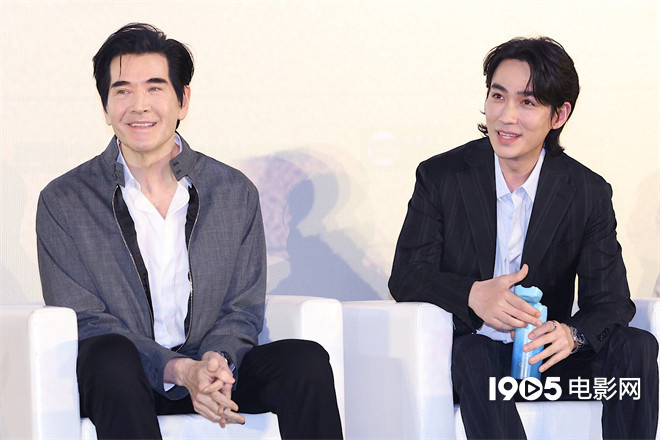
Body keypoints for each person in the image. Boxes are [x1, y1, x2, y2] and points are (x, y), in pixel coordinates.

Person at [36, 23, 343, 440]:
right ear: (105, 107)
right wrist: (178, 369)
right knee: (109, 357)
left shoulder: (233, 192)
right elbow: (86, 320)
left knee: (304, 362)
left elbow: (242, 308)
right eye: (123, 91)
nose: (139, 106)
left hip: (209, 367)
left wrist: (215, 363)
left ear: (183, 100)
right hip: (123, 379)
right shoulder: (65, 200)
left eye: (155, 88)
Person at [389, 36, 658, 439]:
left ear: (559, 114)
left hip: (546, 360)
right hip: (471, 357)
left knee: (636, 346)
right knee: (474, 353)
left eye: (527, 102)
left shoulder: (586, 191)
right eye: (498, 96)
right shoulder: (443, 176)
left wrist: (572, 335)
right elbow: (407, 275)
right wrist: (473, 295)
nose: (506, 116)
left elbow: (611, 301)